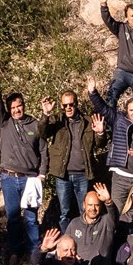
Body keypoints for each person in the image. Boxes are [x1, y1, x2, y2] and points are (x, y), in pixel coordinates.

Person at [0, 65, 44, 259]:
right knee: (12, 218)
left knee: (31, 218)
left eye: (19, 106)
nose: (16, 109)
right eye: (13, 108)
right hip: (9, 178)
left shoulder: (34, 124)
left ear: (24, 105)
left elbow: (44, 150)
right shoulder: (5, 123)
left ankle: (35, 251)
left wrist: (42, 173)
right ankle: (15, 251)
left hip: (30, 178)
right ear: (9, 110)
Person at [39, 91, 104, 226]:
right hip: (63, 176)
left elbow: (100, 144)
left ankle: (84, 243)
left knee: (84, 211)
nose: (68, 108)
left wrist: (100, 133)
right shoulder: (57, 120)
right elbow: (43, 133)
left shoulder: (88, 121)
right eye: (64, 105)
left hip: (83, 174)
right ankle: (67, 244)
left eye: (71, 104)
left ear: (76, 104)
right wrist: (46, 114)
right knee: (65, 213)